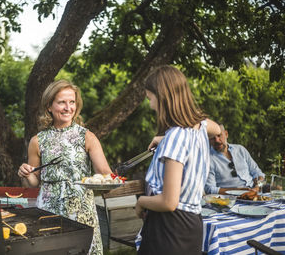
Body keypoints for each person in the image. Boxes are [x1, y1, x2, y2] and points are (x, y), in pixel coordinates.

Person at [17, 79, 112, 255]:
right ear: (49, 107)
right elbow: (32, 183)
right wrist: (25, 173)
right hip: (48, 211)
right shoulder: (37, 141)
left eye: (72, 102)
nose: (68, 107)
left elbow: (105, 175)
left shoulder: (87, 137)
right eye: (62, 102)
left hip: (82, 212)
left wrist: (110, 179)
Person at [134, 65, 220, 255]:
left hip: (169, 230)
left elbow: (169, 202)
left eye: (151, 99)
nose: (150, 106)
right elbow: (217, 129)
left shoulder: (176, 136)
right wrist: (164, 138)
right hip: (191, 226)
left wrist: (141, 202)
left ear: (163, 98)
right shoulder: (197, 129)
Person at [204, 124, 265, 195]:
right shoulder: (207, 159)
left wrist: (258, 186)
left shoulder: (240, 149)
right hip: (232, 199)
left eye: (219, 135)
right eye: (212, 138)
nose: (217, 140)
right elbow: (210, 189)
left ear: (226, 134)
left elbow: (258, 173)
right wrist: (237, 191)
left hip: (255, 193)